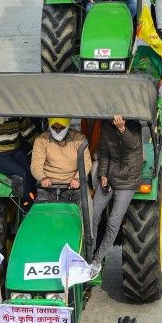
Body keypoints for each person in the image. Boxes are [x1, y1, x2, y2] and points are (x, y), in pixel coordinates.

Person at [88, 115, 144, 279]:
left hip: (128, 180)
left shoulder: (134, 125)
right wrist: (103, 175)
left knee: (114, 221)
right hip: (111, 176)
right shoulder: (106, 127)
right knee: (93, 213)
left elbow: (133, 145)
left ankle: (97, 261)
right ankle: (88, 254)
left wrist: (122, 129)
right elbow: (104, 154)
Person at [31, 118, 91, 204]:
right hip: (48, 185)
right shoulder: (41, 140)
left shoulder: (79, 139)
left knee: (87, 203)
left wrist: (78, 178)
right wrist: (42, 177)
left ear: (67, 126)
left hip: (73, 184)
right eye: (54, 128)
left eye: (61, 128)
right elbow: (36, 164)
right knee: (41, 210)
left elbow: (86, 162)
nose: (58, 131)